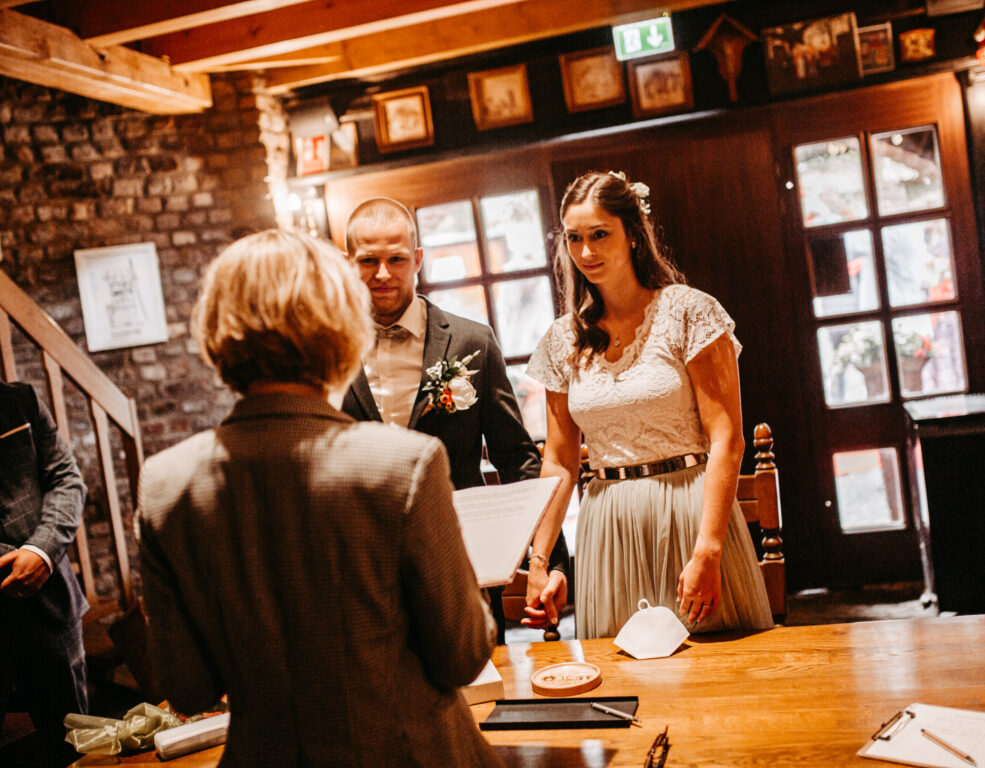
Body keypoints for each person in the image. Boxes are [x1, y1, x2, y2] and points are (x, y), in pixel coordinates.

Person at [135, 230, 502, 767]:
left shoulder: (165, 484)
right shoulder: (402, 465)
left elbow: (187, 687)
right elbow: (463, 654)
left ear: (216, 329)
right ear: (340, 324)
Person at [526, 171, 774, 640]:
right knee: (624, 685)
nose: (585, 252)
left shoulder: (688, 312)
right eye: (574, 238)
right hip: (607, 527)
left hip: (689, 513)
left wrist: (708, 550)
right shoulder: (562, 340)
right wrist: (540, 560)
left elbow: (727, 438)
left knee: (720, 679)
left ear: (633, 235)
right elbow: (558, 463)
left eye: (600, 235)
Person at [341, 197, 568, 637]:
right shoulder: (325, 351)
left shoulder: (471, 342)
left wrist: (548, 561)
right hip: (363, 575)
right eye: (368, 260)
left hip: (464, 568)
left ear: (418, 260)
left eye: (397, 259)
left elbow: (518, 460)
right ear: (348, 262)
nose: (383, 273)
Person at [1, 381, 89, 768]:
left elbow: (66, 479)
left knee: (78, 749)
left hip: (49, 604)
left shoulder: (20, 400)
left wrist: (41, 550)